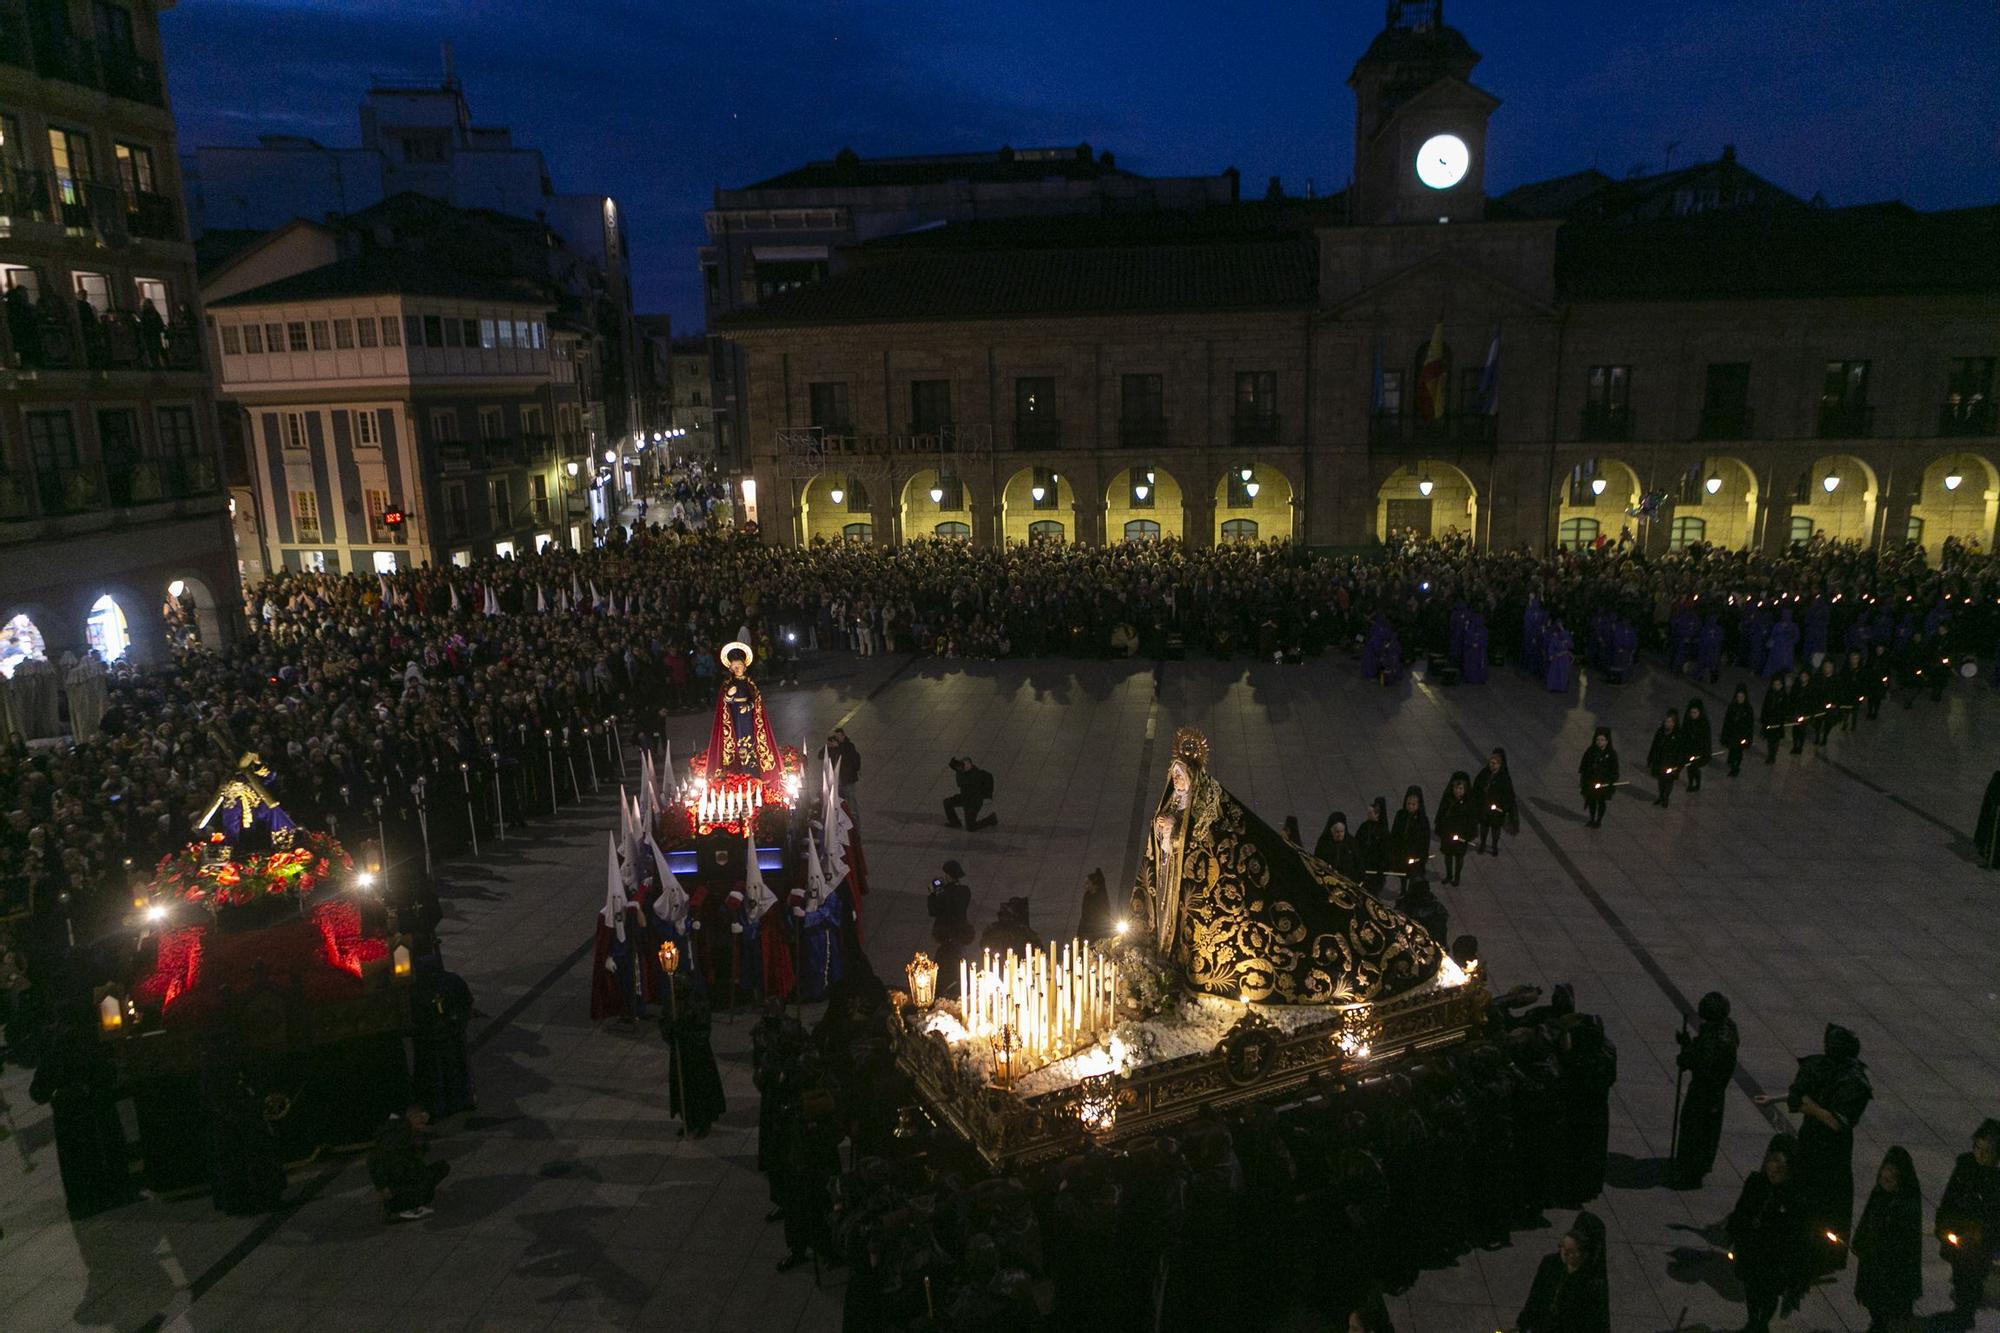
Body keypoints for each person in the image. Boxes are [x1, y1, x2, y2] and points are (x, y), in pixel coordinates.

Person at [1757, 1023, 1873, 1279]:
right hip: (1812, 1140)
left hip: (1833, 1148)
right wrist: (1777, 1099)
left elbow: (1837, 1122)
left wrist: (1811, 1108)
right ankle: (1800, 1246)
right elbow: (1800, 1096)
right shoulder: (1820, 1067)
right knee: (1805, 1195)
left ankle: (1822, 1254)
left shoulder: (1852, 1081)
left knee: (1828, 1200)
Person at [1729, 1135, 1809, 1333]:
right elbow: (1742, 1209)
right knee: (1751, 1288)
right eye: (1770, 1170)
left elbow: (1796, 1231)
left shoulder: (1793, 1197)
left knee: (1767, 1293)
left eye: (1778, 1172)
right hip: (1752, 1247)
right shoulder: (1756, 1183)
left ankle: (1760, 1322)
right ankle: (1752, 1320)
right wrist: (1735, 1232)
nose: (1772, 1175)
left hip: (1774, 1255)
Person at [1932, 1118, 2000, 1331]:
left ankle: (1964, 1314)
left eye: (1986, 1151)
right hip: (1958, 1230)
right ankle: (1962, 1310)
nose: (1979, 1154)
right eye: (1977, 1147)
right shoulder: (1965, 1164)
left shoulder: (1996, 1178)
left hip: (1980, 1240)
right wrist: (1942, 1225)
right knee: (1960, 1273)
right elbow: (1950, 1197)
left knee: (1972, 1277)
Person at [1850, 1145, 1922, 1332]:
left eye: (1891, 1179)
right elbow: (1867, 1220)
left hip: (1893, 1271)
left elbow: (1906, 1242)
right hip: (1875, 1265)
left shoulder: (1907, 1202)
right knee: (1877, 1310)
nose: (1885, 1182)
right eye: (1884, 1177)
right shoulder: (1879, 1194)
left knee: (1891, 1314)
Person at [1671, 991, 1737, 1190]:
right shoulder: (1727, 1028)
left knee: (1695, 1129)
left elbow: (1701, 1063)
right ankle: (1697, 1166)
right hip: (1715, 1091)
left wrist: (1686, 1054)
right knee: (1707, 1130)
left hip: (1704, 1090)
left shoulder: (1714, 1039)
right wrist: (1690, 1044)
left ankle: (1691, 1172)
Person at [1515, 1210, 1610, 1332]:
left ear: (1584, 1254)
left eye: (1571, 1251)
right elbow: (1536, 1295)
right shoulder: (1550, 1264)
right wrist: (1525, 1322)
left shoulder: (1591, 1283)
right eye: (1563, 1247)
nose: (1564, 1253)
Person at [660, 971, 726, 1138]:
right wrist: (670, 1032)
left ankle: (704, 1121)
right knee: (682, 1087)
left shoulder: (698, 1002)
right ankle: (688, 1120)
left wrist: (682, 1032)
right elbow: (664, 1022)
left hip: (697, 1055)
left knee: (700, 1088)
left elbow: (703, 1031)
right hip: (680, 1053)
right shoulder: (673, 1002)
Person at [367, 1105, 448, 1222]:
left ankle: (405, 1203)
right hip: (397, 1179)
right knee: (432, 1177)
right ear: (413, 1118)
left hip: (400, 1174)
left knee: (439, 1168)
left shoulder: (402, 1129)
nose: (422, 1127)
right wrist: (382, 1186)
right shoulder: (399, 1132)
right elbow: (376, 1159)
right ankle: (401, 1207)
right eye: (420, 1122)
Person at [927, 860, 973, 993]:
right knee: (959, 958)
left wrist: (932, 894)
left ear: (947, 875)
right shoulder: (965, 891)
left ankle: (943, 987)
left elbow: (934, 911)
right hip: (961, 931)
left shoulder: (944, 894)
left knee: (945, 962)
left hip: (947, 933)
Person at [1470, 749, 1516, 856]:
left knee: (1495, 829)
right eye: (1490, 763)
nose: (1491, 765)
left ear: (1499, 765)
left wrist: (1503, 807)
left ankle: (1494, 846)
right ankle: (1483, 844)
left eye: (1494, 763)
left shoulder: (1504, 778)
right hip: (1484, 807)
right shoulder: (1484, 773)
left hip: (1496, 810)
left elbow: (1508, 794)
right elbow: (1476, 787)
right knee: (1484, 827)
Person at [1434, 772, 1475, 886]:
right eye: (1456, 788)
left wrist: (1467, 835)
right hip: (1448, 832)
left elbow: (1471, 820)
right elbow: (1441, 813)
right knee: (1448, 855)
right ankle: (1448, 875)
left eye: (1460, 788)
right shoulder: (1448, 799)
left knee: (1458, 857)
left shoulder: (1468, 802)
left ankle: (1457, 877)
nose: (1458, 791)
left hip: (1461, 834)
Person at [1389, 785, 1431, 885]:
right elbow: (1395, 831)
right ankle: (1403, 889)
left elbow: (1425, 839)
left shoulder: (1422, 820)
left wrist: (1422, 856)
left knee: (1413, 874)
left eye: (1414, 804)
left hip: (1415, 852)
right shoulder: (1400, 814)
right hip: (1402, 851)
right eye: (1409, 804)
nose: (1410, 806)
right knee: (1403, 874)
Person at [943, 756, 997, 831]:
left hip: (974, 802)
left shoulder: (978, 774)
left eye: (964, 765)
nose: (961, 767)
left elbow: (988, 780)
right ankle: (955, 822)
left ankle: (991, 819)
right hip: (964, 797)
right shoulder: (961, 771)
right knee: (947, 802)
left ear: (969, 764)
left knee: (971, 827)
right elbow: (955, 767)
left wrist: (987, 796)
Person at [1578, 727, 1618, 828]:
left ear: (1607, 741)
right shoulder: (1590, 751)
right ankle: (1592, 819)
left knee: (1601, 801)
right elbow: (1584, 766)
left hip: (1603, 783)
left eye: (1602, 740)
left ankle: (1598, 820)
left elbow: (1614, 770)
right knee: (1591, 801)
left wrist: (1608, 781)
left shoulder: (1611, 754)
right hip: (1591, 781)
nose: (1599, 742)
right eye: (1597, 739)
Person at [1646, 709, 1682, 807]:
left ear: (1674, 723)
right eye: (1666, 721)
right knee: (1660, 780)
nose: (1667, 724)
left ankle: (1665, 797)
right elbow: (1654, 745)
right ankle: (1661, 796)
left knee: (1668, 781)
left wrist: (1678, 765)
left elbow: (1680, 751)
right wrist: (1650, 759)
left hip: (1671, 763)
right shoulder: (1660, 732)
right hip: (1659, 761)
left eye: (1670, 722)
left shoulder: (1678, 735)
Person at [1356, 796, 1390, 897]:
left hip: (1376, 867)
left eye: (1370, 813)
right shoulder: (1364, 826)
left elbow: (1385, 851)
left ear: (1377, 814)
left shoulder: (1383, 831)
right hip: (1365, 864)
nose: (1368, 815)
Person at [1720, 683, 1756, 777]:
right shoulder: (1732, 707)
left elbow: (1749, 725)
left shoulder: (1748, 709)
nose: (1740, 698)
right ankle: (1732, 763)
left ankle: (1735, 768)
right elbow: (1727, 722)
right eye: (1738, 696)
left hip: (1741, 735)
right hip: (1732, 734)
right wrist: (1724, 736)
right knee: (1732, 750)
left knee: (1738, 752)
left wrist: (1747, 738)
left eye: (1742, 696)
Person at [1315, 810, 1363, 879]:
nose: (1340, 835)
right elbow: (1318, 860)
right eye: (1337, 832)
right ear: (1331, 831)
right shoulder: (1324, 842)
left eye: (1342, 831)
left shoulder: (1351, 842)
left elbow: (1358, 862)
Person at [1681, 698, 1711, 793]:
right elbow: (1683, 735)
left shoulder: (1704, 723)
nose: (1693, 715)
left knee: (1695, 767)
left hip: (1699, 751)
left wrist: (1703, 752)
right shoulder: (1687, 722)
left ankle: (1697, 783)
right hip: (1689, 750)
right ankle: (1690, 783)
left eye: (1695, 712)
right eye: (1692, 712)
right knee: (1690, 768)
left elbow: (1706, 739)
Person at [1076, 867, 1114, 941]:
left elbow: (1103, 913)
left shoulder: (1101, 897)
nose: (1085, 886)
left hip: (1097, 928)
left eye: (1087, 883)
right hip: (1086, 927)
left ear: (1094, 885)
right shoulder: (1087, 895)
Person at [1761, 675, 1790, 765]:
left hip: (1778, 722)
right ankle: (1770, 754)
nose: (1776, 686)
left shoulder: (1784, 696)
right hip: (1769, 720)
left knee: (1775, 740)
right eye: (1775, 684)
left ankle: (1772, 756)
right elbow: (1765, 707)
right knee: (1770, 740)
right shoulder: (1770, 694)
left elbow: (1785, 709)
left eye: (1778, 684)